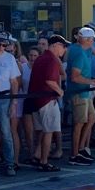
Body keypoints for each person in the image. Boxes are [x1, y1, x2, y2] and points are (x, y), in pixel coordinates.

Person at [25, 34, 66, 170]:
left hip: (35, 100)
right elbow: (50, 81)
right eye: (63, 46)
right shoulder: (51, 60)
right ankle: (44, 161)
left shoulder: (41, 58)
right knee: (49, 131)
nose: (64, 49)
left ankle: (38, 156)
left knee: (42, 130)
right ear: (55, 46)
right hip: (47, 100)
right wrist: (60, 91)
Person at [65, 27, 95, 165]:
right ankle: (75, 155)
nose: (93, 41)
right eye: (92, 39)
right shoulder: (79, 54)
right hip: (79, 92)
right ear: (87, 40)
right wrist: (92, 82)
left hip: (84, 91)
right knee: (79, 123)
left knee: (91, 117)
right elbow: (75, 77)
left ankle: (81, 149)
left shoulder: (79, 49)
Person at [0, 35, 21, 174]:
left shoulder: (9, 58)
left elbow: (14, 82)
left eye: (4, 45)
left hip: (4, 97)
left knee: (6, 131)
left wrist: (14, 102)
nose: (1, 48)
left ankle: (10, 164)